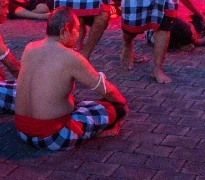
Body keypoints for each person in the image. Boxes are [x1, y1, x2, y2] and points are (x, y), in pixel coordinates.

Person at [14, 8, 129, 151]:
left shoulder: (30, 47)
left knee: (82, 104)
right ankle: (92, 133)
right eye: (77, 30)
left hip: (22, 131)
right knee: (115, 108)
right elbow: (107, 90)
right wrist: (122, 106)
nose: (78, 35)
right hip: (52, 136)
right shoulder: (70, 57)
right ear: (65, 31)